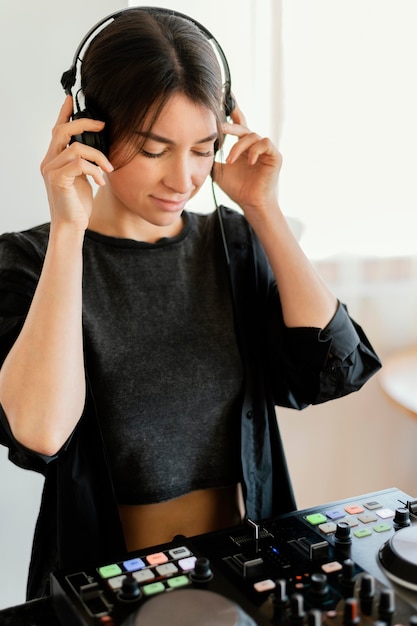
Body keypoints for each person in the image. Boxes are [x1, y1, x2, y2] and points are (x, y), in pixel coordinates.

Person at [0, 7, 381, 600]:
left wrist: (263, 212)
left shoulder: (231, 245)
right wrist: (68, 230)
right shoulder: (30, 263)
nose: (183, 178)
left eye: (203, 149)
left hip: (248, 578)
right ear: (91, 132)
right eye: (155, 150)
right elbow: (40, 433)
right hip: (111, 588)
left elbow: (334, 370)